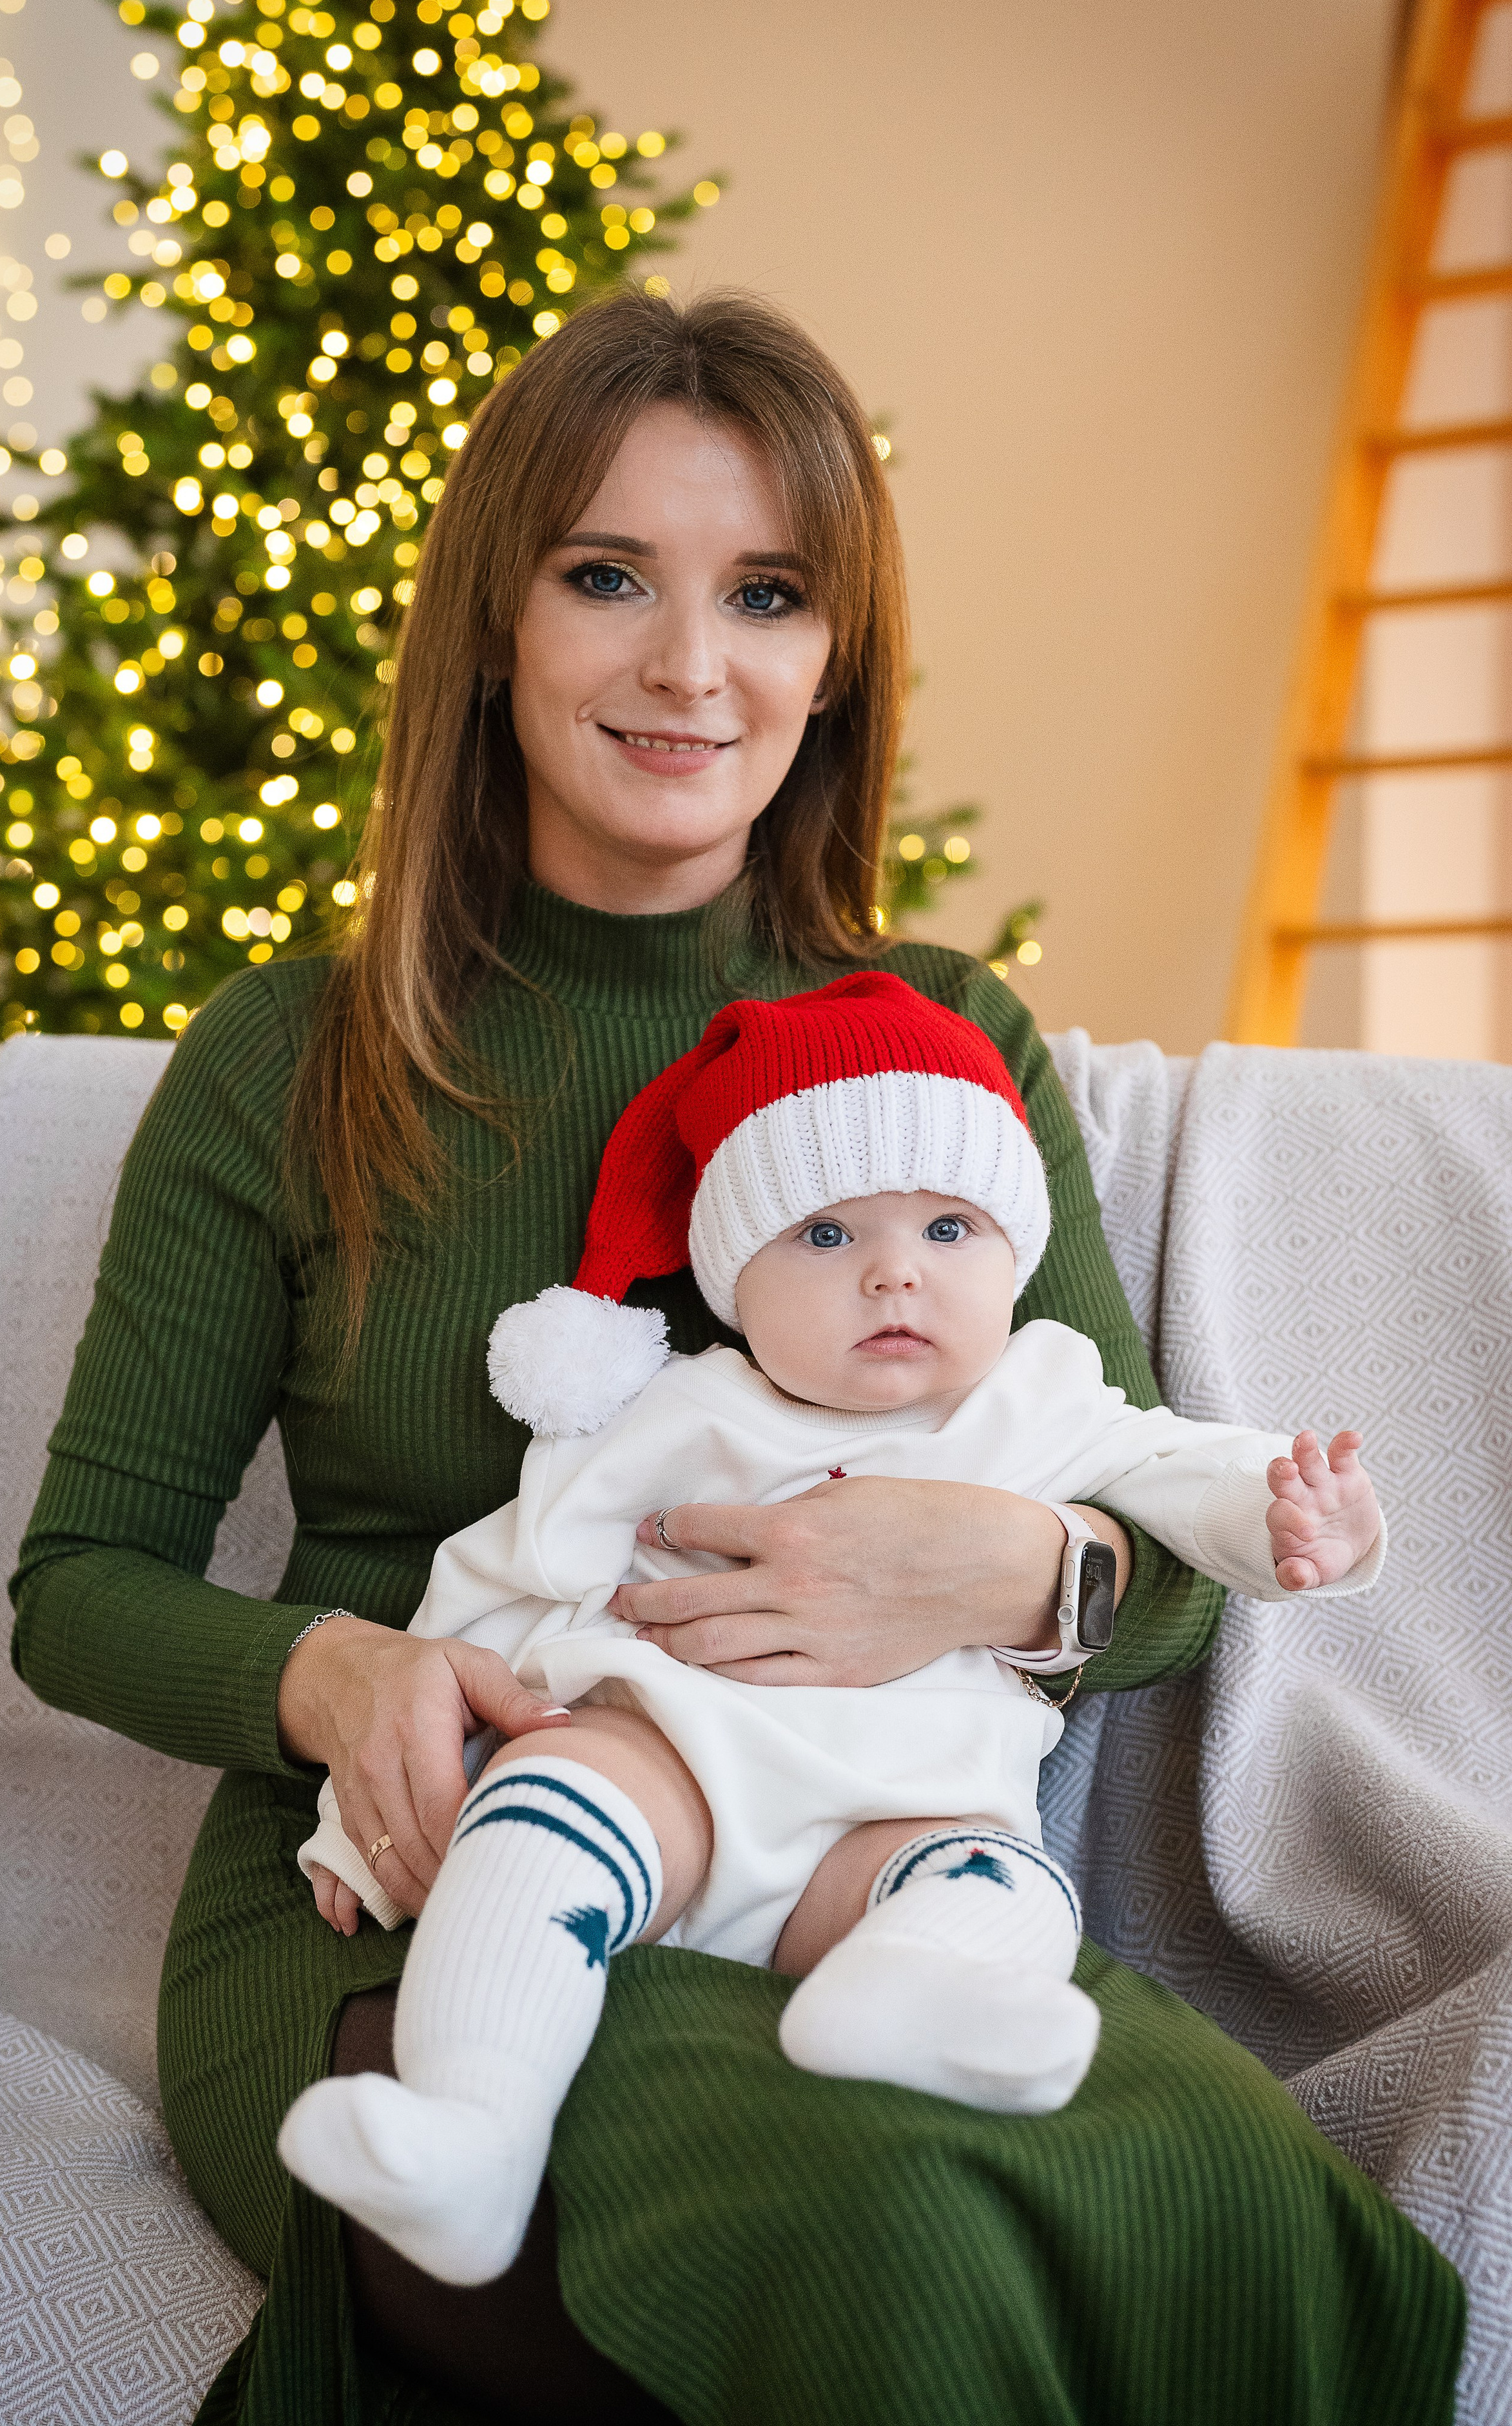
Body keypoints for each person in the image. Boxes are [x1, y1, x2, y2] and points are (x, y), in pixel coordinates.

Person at [10, 288, 1462, 2425]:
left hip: (866, 1863)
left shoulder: (948, 1048)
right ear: (495, 622)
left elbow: (1139, 1515)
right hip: (439, 1884)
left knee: (1226, 2195)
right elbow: (78, 1588)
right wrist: (331, 1676)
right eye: (610, 576)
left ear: (834, 659)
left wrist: (1018, 1573)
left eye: (766, 595)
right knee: (886, 2251)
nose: (693, 668)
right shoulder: (297, 1060)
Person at [280, 969, 1387, 2289]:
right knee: (538, 1805)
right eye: (823, 1235)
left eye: (947, 1227)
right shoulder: (683, 1410)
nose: (892, 1272)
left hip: (896, 1819)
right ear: (730, 1276)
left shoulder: (1044, 1398)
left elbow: (1194, 1481)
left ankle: (909, 1998)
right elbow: (492, 1589)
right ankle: (471, 2131)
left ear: (1013, 1251)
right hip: (670, 1768)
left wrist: (1302, 1524)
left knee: (1001, 1887)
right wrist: (370, 1805)